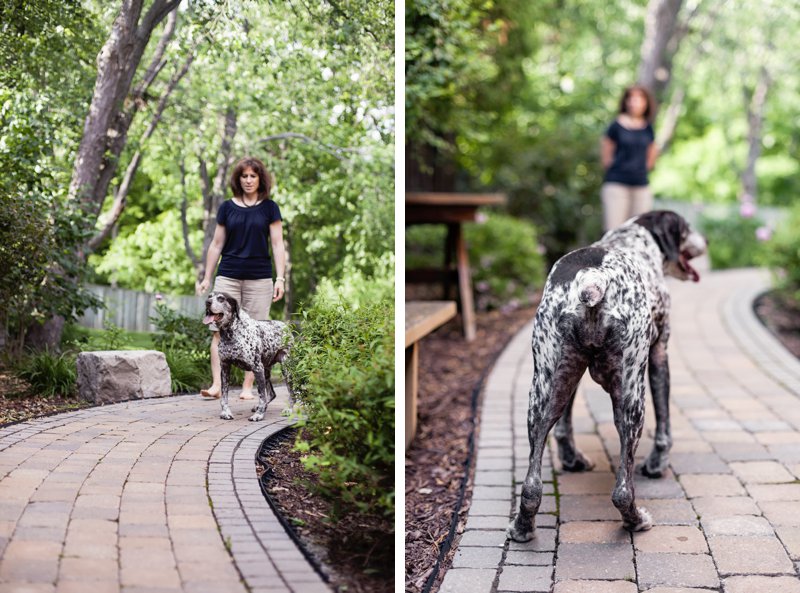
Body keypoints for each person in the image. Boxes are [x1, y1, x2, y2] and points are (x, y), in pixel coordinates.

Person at [197, 156, 286, 400]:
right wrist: (207, 277)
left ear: (260, 179)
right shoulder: (227, 207)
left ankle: (248, 389)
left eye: (253, 176)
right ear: (238, 179)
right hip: (228, 276)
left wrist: (280, 278)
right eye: (244, 176)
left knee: (255, 333)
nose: (248, 180)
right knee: (218, 330)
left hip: (259, 279)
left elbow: (278, 245)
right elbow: (216, 244)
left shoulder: (270, 208)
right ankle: (217, 385)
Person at [600, 85, 659, 231]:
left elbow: (652, 152)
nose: (635, 102)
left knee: (639, 231)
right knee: (614, 230)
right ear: (626, 101)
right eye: (631, 98)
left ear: (646, 103)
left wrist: (642, 169)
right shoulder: (615, 126)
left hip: (641, 185)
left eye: (639, 99)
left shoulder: (648, 128)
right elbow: (606, 155)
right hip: (617, 185)